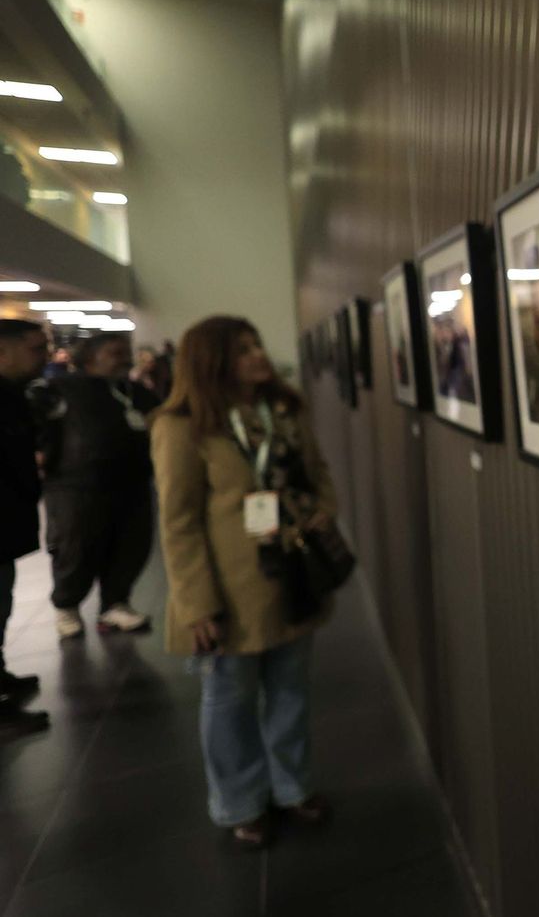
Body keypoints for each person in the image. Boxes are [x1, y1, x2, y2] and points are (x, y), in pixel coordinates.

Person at [152, 316, 340, 848]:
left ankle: (292, 787)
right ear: (211, 362)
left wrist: (324, 510)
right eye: (241, 350)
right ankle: (239, 800)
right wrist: (197, 605)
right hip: (230, 589)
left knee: (291, 691)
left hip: (293, 575)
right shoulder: (181, 426)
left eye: (256, 344)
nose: (257, 356)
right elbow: (178, 522)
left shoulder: (283, 410)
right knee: (229, 701)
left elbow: (318, 471)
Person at [30, 334, 161, 638]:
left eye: (126, 352)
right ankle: (67, 607)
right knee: (75, 550)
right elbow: (39, 429)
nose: (124, 358)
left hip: (132, 485)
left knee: (130, 546)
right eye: (115, 353)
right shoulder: (59, 390)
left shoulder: (133, 391)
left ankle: (115, 603)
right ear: (90, 358)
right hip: (75, 488)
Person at [0, 318, 49, 737]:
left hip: (7, 523)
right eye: (35, 349)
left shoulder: (14, 396)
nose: (45, 357)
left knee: (3, 601)